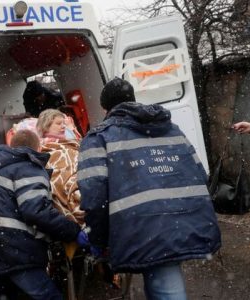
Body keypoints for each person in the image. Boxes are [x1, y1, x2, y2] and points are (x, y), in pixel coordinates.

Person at [77, 77, 222, 299]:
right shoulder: (172, 129)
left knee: (164, 284)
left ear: (105, 108)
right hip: (181, 220)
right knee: (162, 278)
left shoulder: (98, 138)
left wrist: (97, 238)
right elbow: (200, 175)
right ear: (133, 99)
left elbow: (95, 197)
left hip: (143, 226)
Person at [0, 129, 81, 300]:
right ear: (37, 148)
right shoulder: (27, 168)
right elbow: (36, 212)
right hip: (11, 247)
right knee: (47, 296)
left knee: (8, 294)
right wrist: (73, 231)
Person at [36, 109, 83, 224]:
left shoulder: (69, 145)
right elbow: (66, 183)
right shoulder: (53, 151)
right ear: (46, 126)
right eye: (58, 123)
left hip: (63, 217)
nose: (63, 127)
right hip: (74, 210)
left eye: (63, 123)